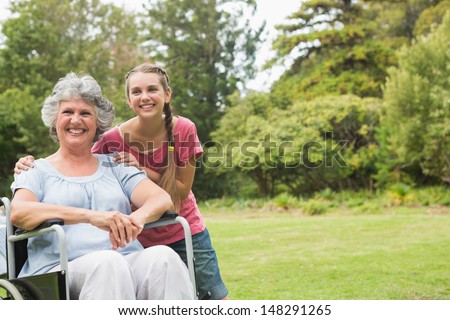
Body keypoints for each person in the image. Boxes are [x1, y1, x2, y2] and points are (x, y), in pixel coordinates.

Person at [15, 63, 228, 300]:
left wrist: (137, 218)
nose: (76, 120)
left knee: (164, 258)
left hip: (123, 257)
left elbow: (162, 199)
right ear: (54, 120)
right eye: (68, 113)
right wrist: (90, 216)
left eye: (85, 113)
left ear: (98, 124)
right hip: (62, 267)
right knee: (109, 263)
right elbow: (20, 212)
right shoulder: (35, 169)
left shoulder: (114, 163)